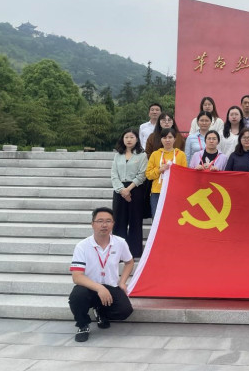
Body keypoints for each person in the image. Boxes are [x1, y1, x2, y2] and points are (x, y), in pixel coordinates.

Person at [69, 207, 134, 342]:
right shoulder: (82, 246)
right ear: (92, 224)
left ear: (113, 224)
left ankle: (100, 310)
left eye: (108, 221)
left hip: (111, 285)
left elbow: (129, 262)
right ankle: (82, 325)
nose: (104, 225)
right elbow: (77, 276)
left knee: (125, 311)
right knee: (77, 297)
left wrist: (122, 282)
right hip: (89, 286)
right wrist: (99, 288)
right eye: (100, 221)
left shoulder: (120, 242)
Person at [111, 128, 147, 258]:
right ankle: (119, 252)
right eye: (126, 137)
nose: (129, 140)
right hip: (119, 190)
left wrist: (128, 189)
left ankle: (135, 252)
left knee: (135, 221)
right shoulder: (118, 155)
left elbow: (142, 174)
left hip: (135, 190)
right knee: (119, 221)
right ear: (123, 139)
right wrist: (122, 190)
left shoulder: (142, 155)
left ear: (137, 139)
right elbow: (114, 174)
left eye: (132, 137)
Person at [146, 128, 188, 217]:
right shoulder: (155, 154)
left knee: (173, 218)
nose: (167, 140)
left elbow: (185, 176)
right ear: (161, 139)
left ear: (174, 139)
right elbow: (148, 175)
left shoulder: (181, 154)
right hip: (157, 191)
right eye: (164, 137)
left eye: (170, 137)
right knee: (157, 218)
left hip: (175, 192)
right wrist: (160, 170)